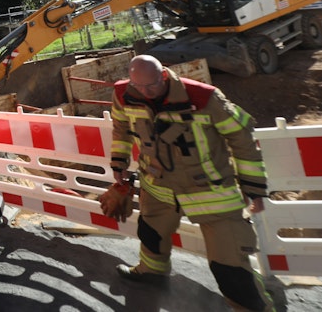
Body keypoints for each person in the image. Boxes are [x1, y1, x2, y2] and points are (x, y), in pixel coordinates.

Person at [110, 54, 274, 312]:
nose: (144, 92)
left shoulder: (203, 98)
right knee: (151, 233)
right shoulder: (123, 93)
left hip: (211, 191)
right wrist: (118, 162)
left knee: (230, 266)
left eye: (151, 86)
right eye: (138, 86)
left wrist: (254, 188)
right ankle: (150, 273)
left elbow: (242, 138)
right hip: (157, 187)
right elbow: (121, 127)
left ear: (163, 75)